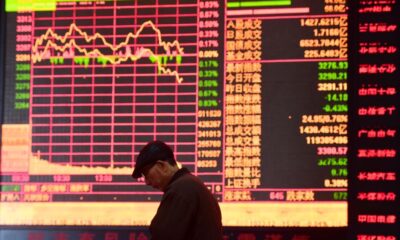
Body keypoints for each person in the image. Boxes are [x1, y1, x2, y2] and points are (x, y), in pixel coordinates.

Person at [132, 140, 223, 240]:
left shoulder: (179, 191)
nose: (147, 182)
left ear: (162, 166)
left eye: (146, 174)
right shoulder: (190, 184)